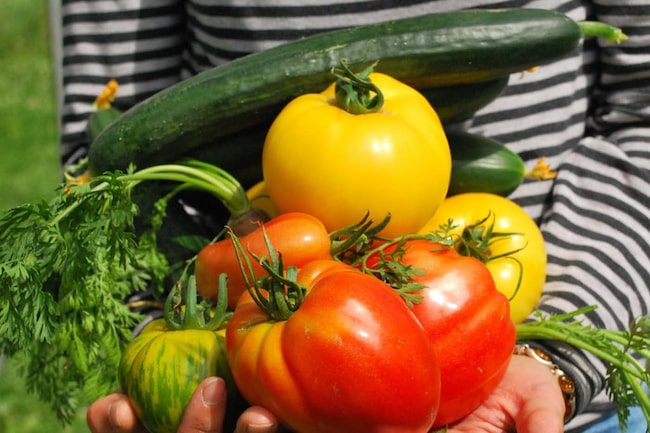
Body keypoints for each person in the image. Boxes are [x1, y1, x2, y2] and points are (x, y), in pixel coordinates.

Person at [53, 0, 650, 432]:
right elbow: (108, 160)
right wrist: (168, 342)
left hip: (545, 391)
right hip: (255, 380)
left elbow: (641, 124)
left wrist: (560, 362)